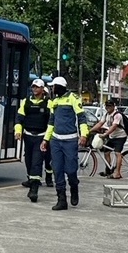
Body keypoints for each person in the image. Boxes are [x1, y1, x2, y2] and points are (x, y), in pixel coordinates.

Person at [42, 76, 89, 210]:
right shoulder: (54, 102)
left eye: (53, 86)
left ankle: (74, 188)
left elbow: (81, 118)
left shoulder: (73, 98)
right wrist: (46, 139)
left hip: (70, 141)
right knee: (57, 170)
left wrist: (84, 134)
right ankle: (61, 199)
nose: (52, 88)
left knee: (70, 170)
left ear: (59, 87)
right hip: (56, 141)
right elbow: (51, 122)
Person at [14, 79, 53, 203]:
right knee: (29, 161)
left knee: (37, 162)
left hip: (41, 137)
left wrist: (47, 138)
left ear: (42, 89)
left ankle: (34, 190)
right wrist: (18, 131)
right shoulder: (26, 102)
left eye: (37, 87)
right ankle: (31, 180)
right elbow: (19, 118)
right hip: (28, 136)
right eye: (33, 87)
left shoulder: (48, 103)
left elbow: (52, 121)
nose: (35, 89)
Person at [97, 99, 128, 179]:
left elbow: (114, 126)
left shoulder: (117, 115)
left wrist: (105, 134)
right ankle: (108, 170)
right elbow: (100, 123)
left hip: (120, 136)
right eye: (106, 106)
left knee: (117, 153)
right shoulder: (106, 115)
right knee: (106, 152)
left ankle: (117, 173)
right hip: (112, 137)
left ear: (113, 106)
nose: (108, 108)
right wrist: (89, 131)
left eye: (110, 106)